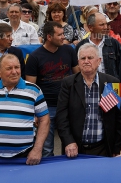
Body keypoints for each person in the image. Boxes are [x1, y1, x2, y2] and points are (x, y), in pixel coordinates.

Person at [0, 53, 50, 165]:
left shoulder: (34, 90)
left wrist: (37, 150)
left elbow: (45, 120)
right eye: (9, 68)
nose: (14, 72)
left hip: (26, 155)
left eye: (17, 67)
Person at [56, 43, 121, 157]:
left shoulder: (114, 83)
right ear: (78, 62)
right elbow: (61, 117)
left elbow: (120, 119)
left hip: (103, 148)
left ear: (99, 61)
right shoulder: (68, 83)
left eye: (90, 58)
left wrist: (117, 148)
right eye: (83, 58)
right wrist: (68, 141)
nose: (86, 61)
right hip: (75, 149)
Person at [25, 21, 79, 157]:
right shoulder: (34, 57)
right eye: (60, 34)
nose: (63, 37)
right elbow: (31, 88)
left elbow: (78, 76)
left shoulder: (69, 50)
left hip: (68, 105)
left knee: (70, 144)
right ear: (49, 37)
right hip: (46, 108)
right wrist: (35, 112)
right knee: (46, 148)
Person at [76, 12, 121, 79]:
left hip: (112, 87)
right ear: (90, 27)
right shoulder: (81, 46)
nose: (105, 27)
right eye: (102, 25)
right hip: (89, 86)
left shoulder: (114, 44)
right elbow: (77, 70)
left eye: (106, 24)